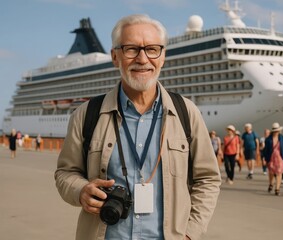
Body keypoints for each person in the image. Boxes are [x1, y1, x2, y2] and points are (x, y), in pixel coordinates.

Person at [55, 14, 221, 240]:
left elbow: (208, 179)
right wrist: (80, 190)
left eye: (152, 49)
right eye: (131, 49)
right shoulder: (86, 115)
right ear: (115, 57)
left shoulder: (186, 113)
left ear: (162, 57)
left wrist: (190, 233)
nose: (143, 59)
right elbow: (66, 173)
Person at [264, 123, 283, 196]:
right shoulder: (268, 139)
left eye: (278, 131)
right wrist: (265, 158)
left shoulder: (282, 138)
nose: (277, 132)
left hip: (280, 157)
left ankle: (277, 189)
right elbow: (266, 150)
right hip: (271, 157)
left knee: (279, 172)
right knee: (271, 172)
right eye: (275, 131)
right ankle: (271, 183)